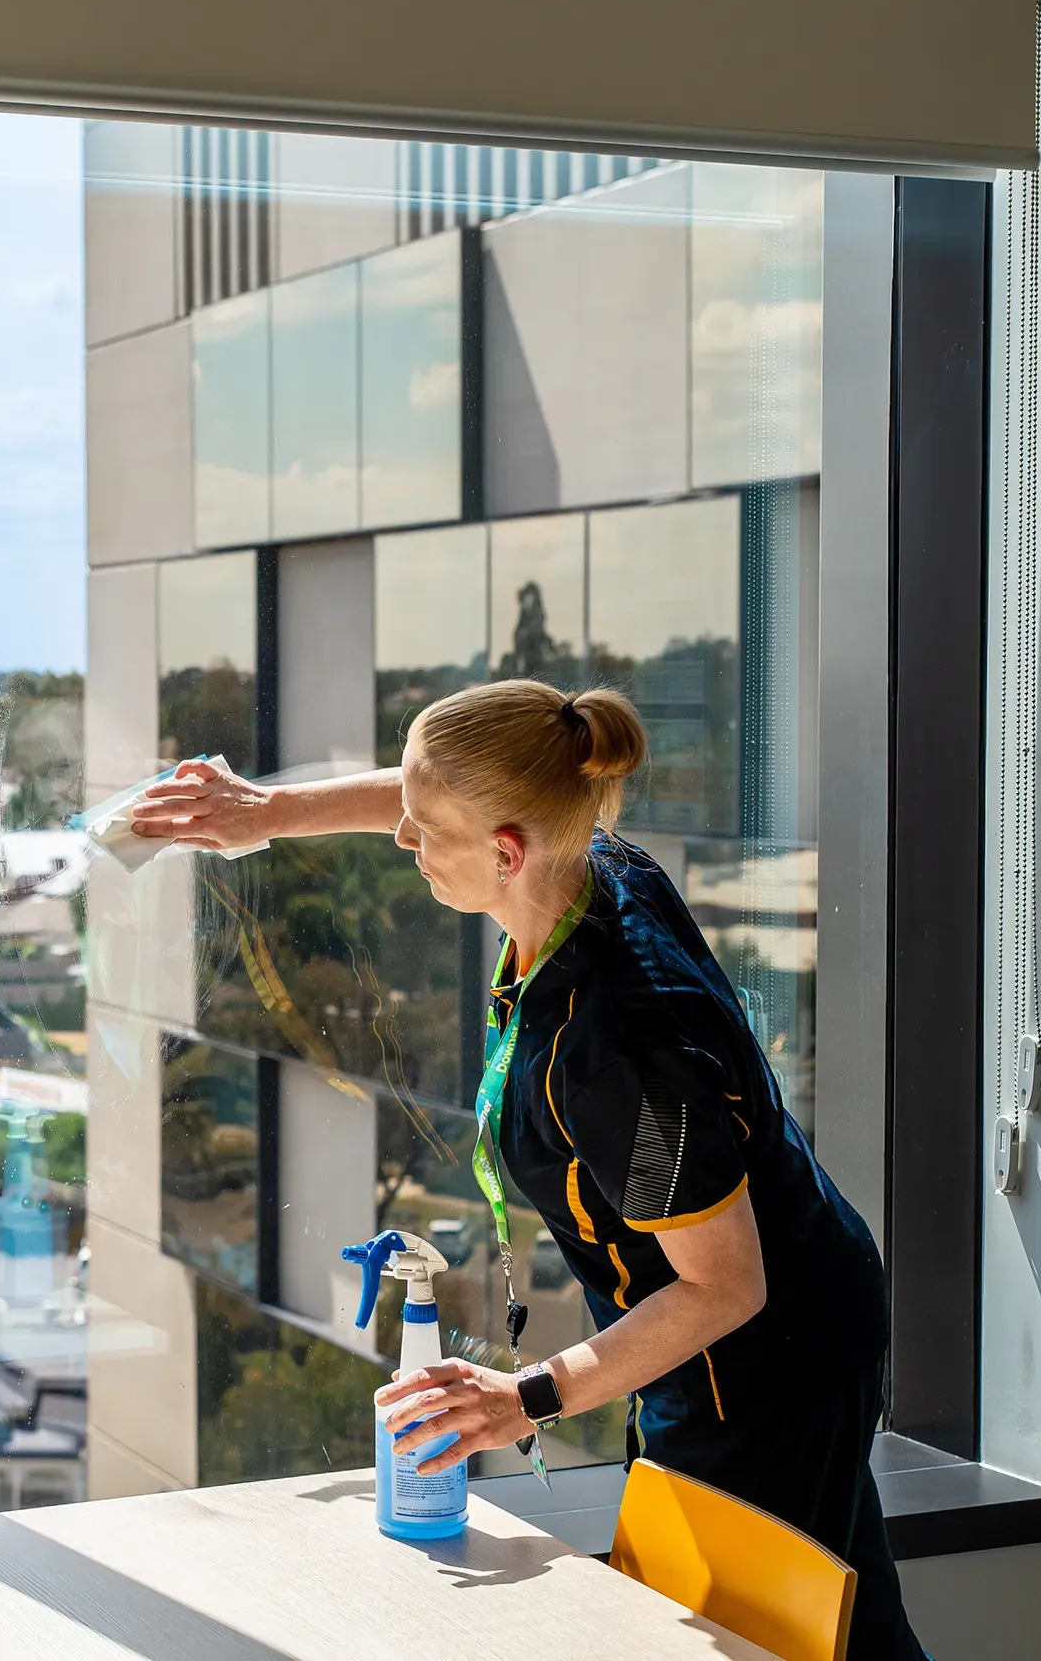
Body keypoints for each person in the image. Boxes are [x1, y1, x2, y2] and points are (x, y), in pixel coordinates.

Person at [129, 679, 926, 1661]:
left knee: (758, 1637)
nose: (403, 839)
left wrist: (525, 1397)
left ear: (504, 849)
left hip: (760, 1359)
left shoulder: (622, 1046)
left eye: (425, 831)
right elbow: (434, 793)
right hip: (766, 1306)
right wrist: (267, 812)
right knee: (853, 1633)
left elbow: (726, 1285)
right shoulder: (592, 856)